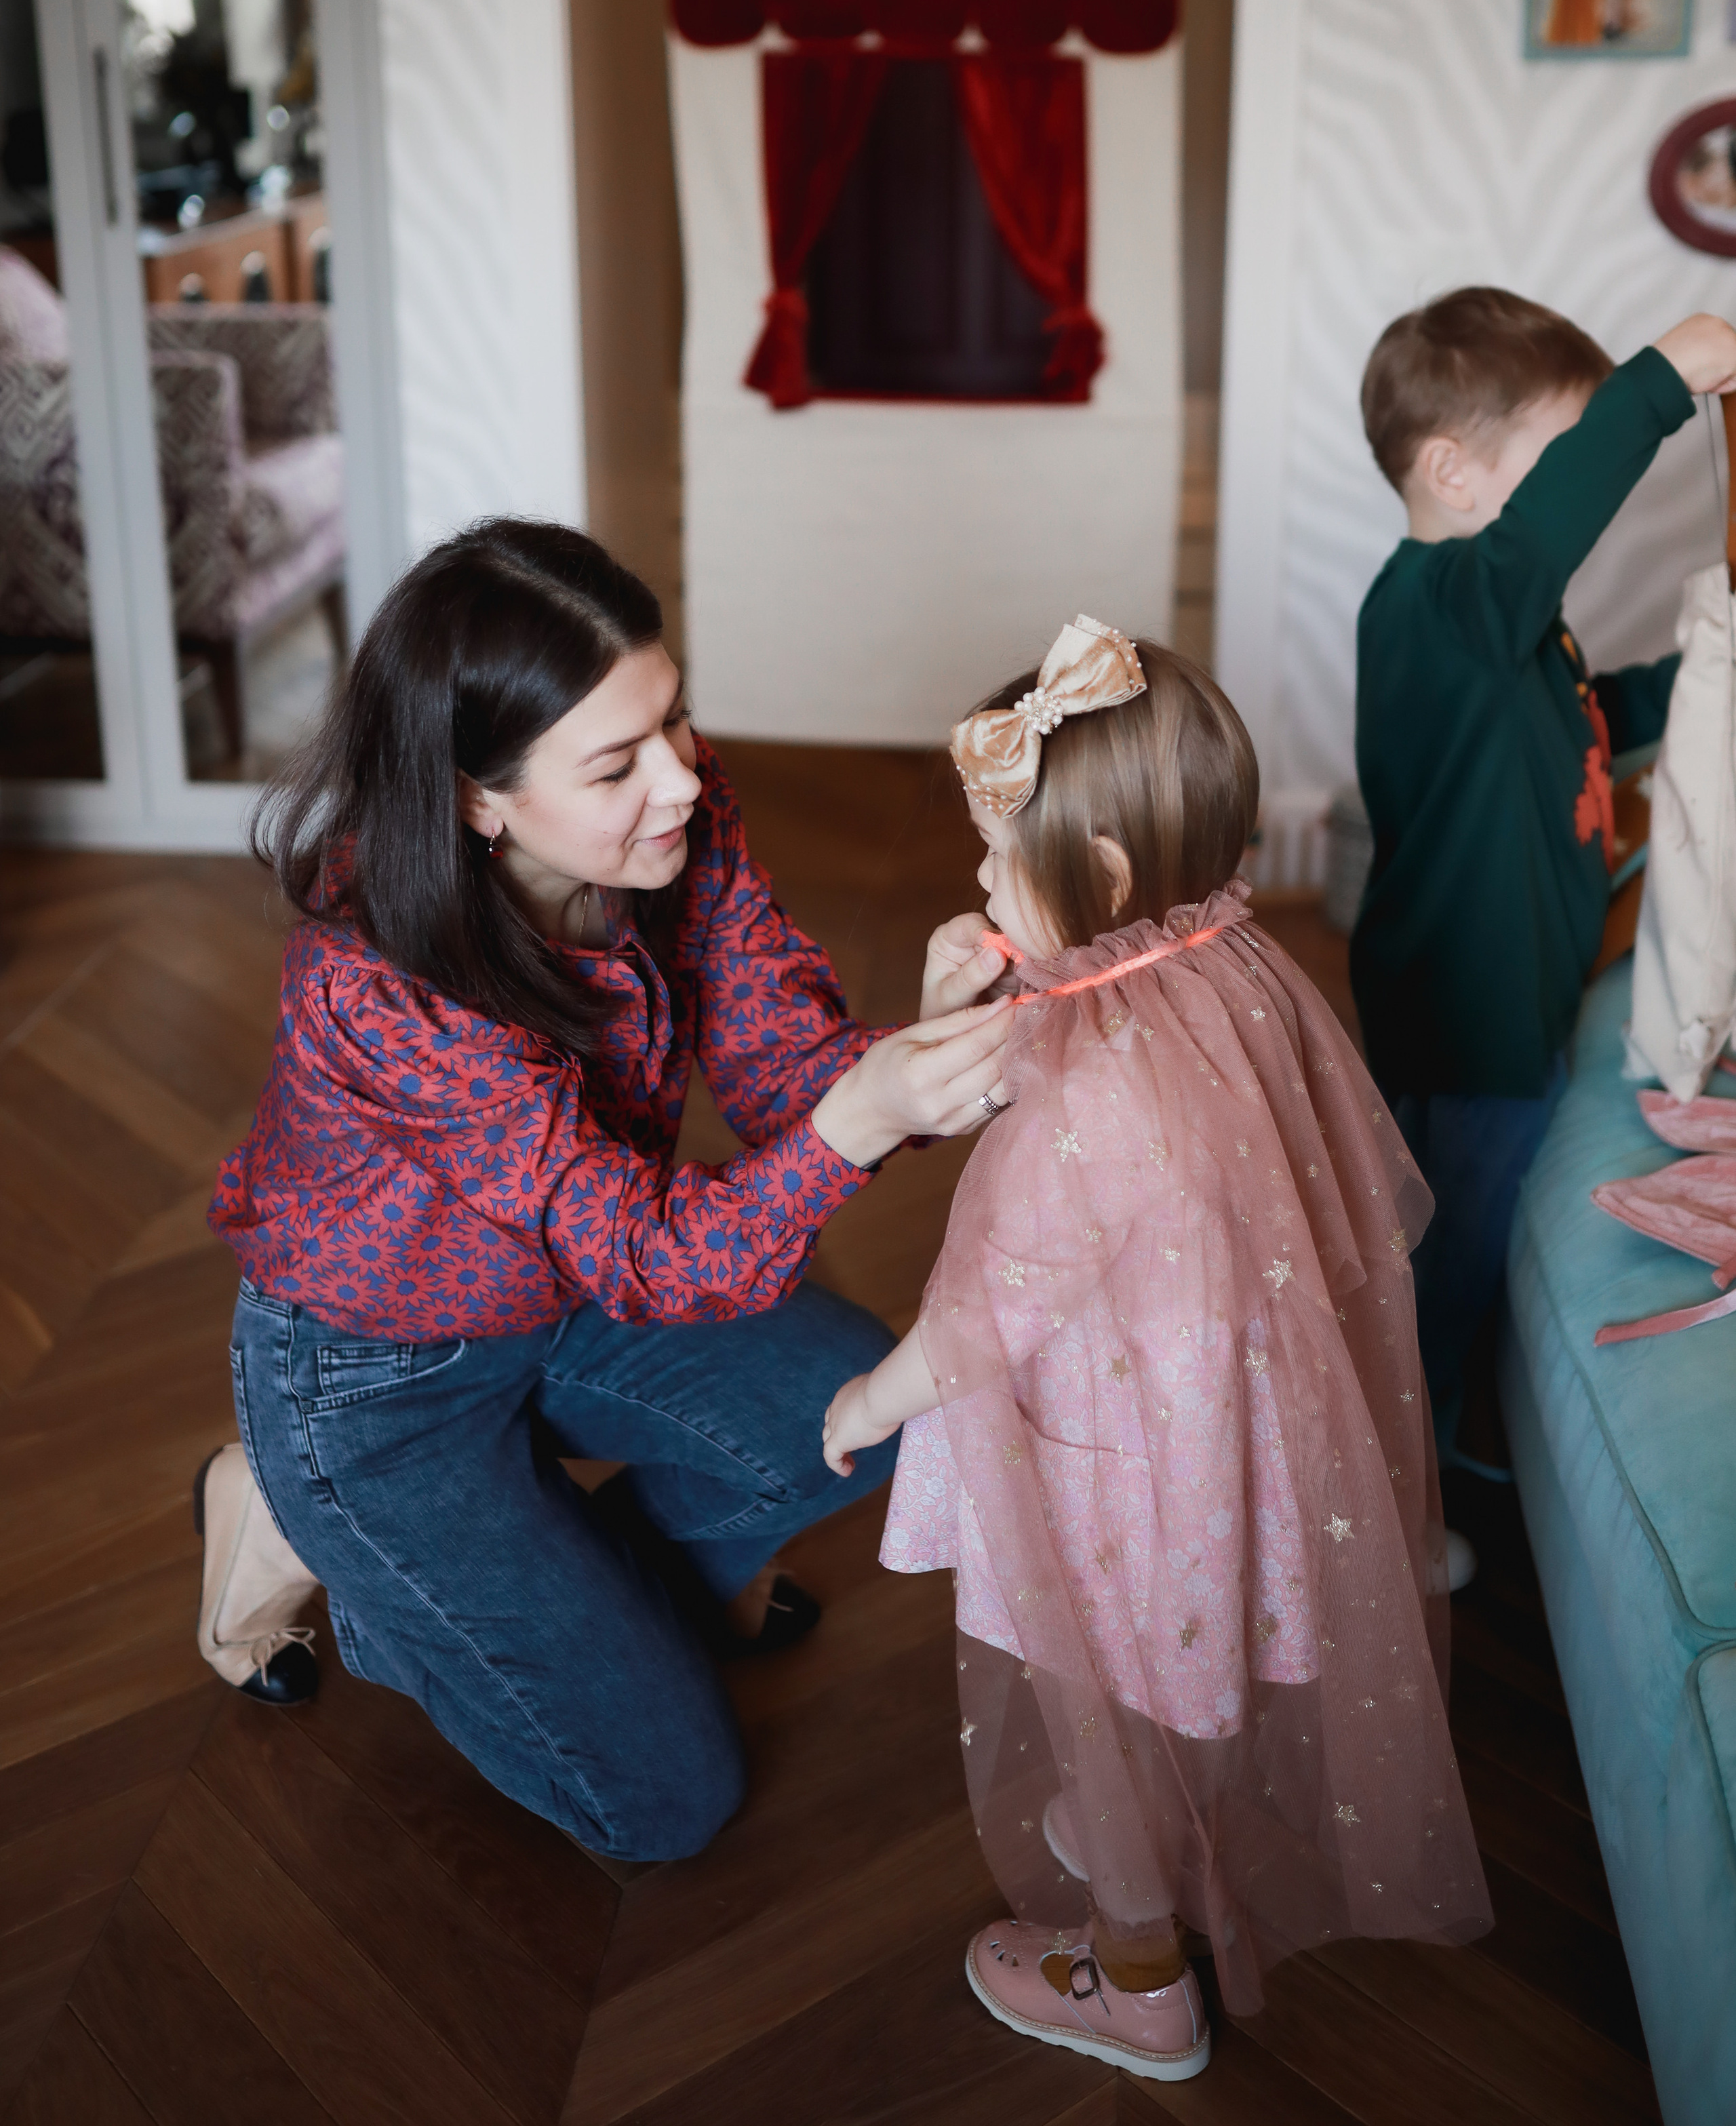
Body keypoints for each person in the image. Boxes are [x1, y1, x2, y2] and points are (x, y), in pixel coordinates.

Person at [209, 519, 1012, 1862]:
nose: (681, 782)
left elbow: (777, 1075)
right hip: (378, 1382)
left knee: (872, 1417)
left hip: (571, 1291)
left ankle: (561, 1595)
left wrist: (907, 1051)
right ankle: (309, 1520)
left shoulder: (679, 821)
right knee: (662, 1807)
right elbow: (652, 1246)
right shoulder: (370, 986)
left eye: (675, 720)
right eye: (615, 763)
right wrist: (856, 1122)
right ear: (479, 799)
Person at [823, 618, 1488, 2086]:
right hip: (1213, 1437)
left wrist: (872, 1400)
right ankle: (1170, 1821)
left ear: (1102, 882)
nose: (981, 880)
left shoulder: (1098, 1097)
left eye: (999, 859)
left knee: (1095, 1704)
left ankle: (1134, 1985)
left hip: (1110, 1473)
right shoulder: (1219, 960)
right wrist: (971, 1000)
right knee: (1165, 1686)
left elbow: (992, 1303)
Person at [1350, 293, 1736, 1542]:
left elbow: (1588, 714)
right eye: (1554, 457)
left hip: (1509, 1001)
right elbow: (1537, 546)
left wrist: (1700, 674)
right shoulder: (1438, 604)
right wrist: (1659, 382)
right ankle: (1396, 1490)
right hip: (1472, 1019)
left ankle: (1432, 1418)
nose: (1562, 496)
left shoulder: (1505, 634)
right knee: (1447, 1260)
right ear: (1456, 475)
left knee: (1441, 1232)